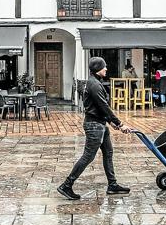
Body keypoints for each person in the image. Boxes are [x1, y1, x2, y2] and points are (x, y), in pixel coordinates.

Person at [57, 57, 133, 200]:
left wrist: (111, 123)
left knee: (108, 152)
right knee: (88, 156)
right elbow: (104, 106)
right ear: (98, 68)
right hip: (94, 126)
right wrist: (120, 123)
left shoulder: (94, 82)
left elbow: (100, 108)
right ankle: (66, 185)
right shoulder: (94, 85)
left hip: (100, 124)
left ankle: (112, 184)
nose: (106, 69)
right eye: (104, 67)